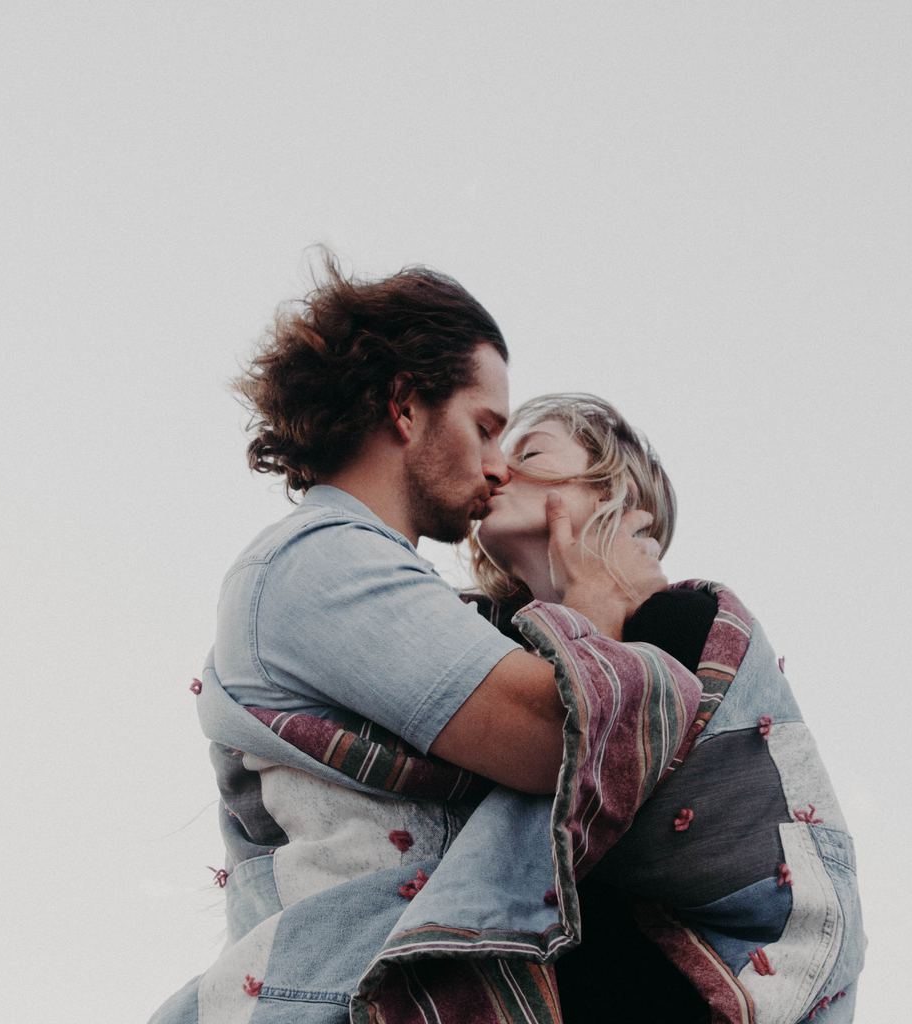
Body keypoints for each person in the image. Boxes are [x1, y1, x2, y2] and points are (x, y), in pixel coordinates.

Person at [149, 258, 670, 1024]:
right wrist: (594, 596)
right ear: (404, 405)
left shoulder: (375, 574)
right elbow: (563, 740)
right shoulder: (322, 557)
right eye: (486, 428)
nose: (497, 466)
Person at [468, 393, 868, 1023]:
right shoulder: (476, 640)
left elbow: (584, 780)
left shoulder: (681, 623)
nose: (494, 468)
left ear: (612, 495)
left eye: (531, 452)